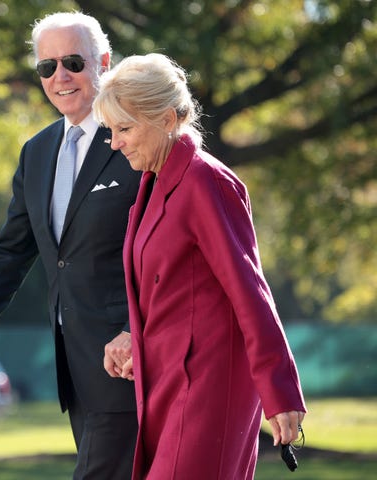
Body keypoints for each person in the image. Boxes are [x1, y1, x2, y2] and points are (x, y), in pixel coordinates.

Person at [0, 12, 141, 480]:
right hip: (75, 366)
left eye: (72, 61)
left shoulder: (138, 140)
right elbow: (10, 252)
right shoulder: (37, 151)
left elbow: (167, 251)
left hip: (130, 357)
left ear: (104, 62)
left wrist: (135, 329)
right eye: (47, 67)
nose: (60, 77)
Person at [94, 53, 307, 479]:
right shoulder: (152, 185)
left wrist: (280, 391)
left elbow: (250, 292)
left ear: (168, 119)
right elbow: (172, 290)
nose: (115, 143)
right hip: (167, 385)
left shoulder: (206, 180)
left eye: (125, 128)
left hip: (209, 388)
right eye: (111, 131)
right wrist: (136, 338)